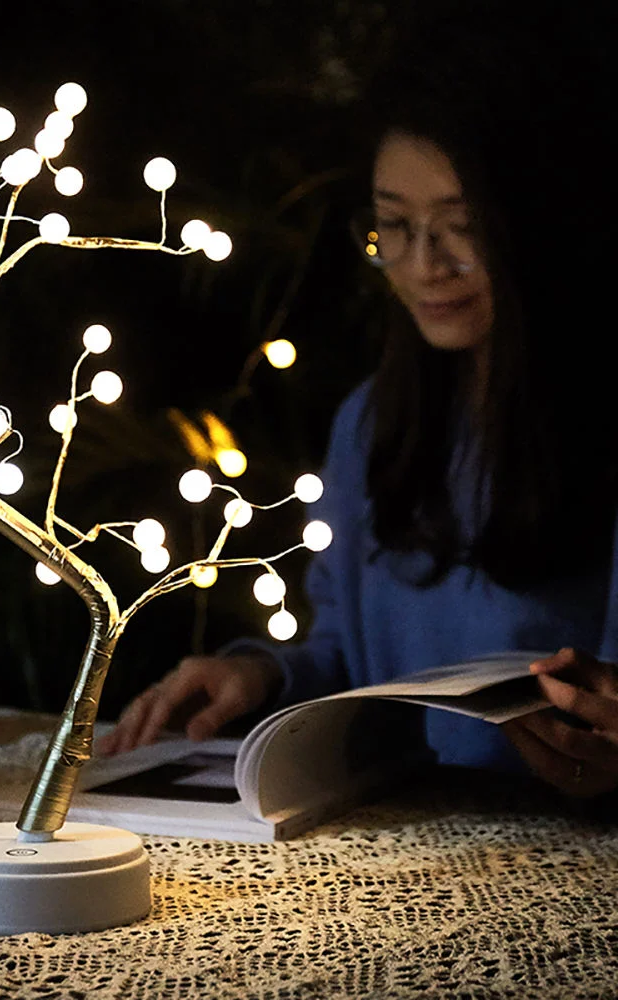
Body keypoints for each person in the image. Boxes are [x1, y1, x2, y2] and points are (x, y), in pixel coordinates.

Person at [99, 8, 618, 799]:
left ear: (533, 223)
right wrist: (257, 676)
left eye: (460, 227)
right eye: (392, 227)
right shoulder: (371, 423)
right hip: (390, 840)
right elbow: (348, 663)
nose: (423, 266)